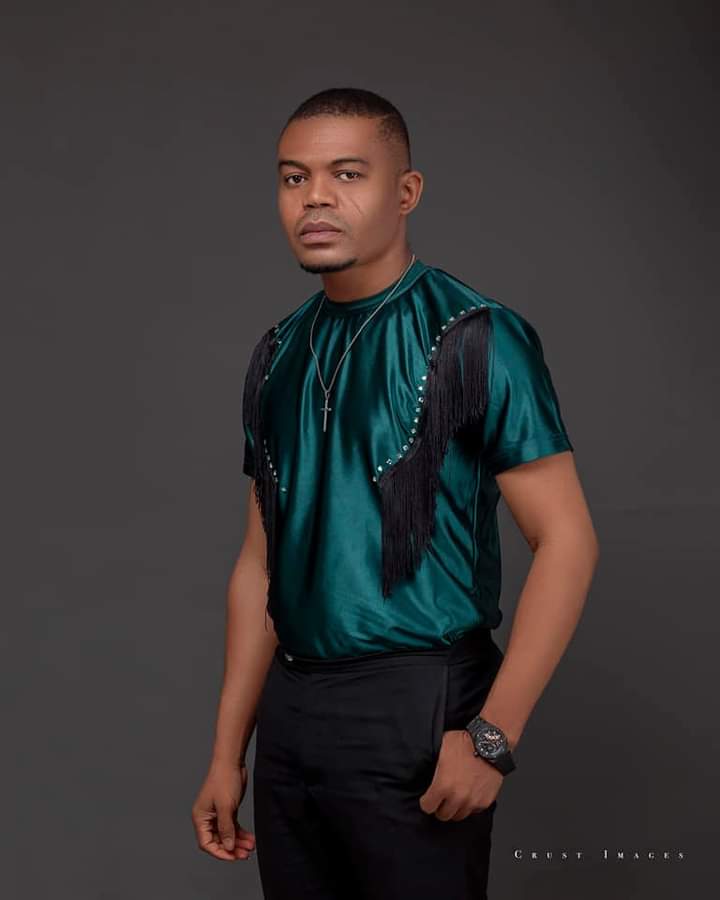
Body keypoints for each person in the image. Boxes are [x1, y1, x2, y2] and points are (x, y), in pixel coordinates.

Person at [191, 87, 599, 900]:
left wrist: (492, 737)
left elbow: (567, 541)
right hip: (291, 711)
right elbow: (258, 566)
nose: (315, 197)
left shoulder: (477, 335)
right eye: (294, 178)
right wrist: (227, 754)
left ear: (405, 192)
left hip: (420, 699)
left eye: (347, 174)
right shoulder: (277, 353)